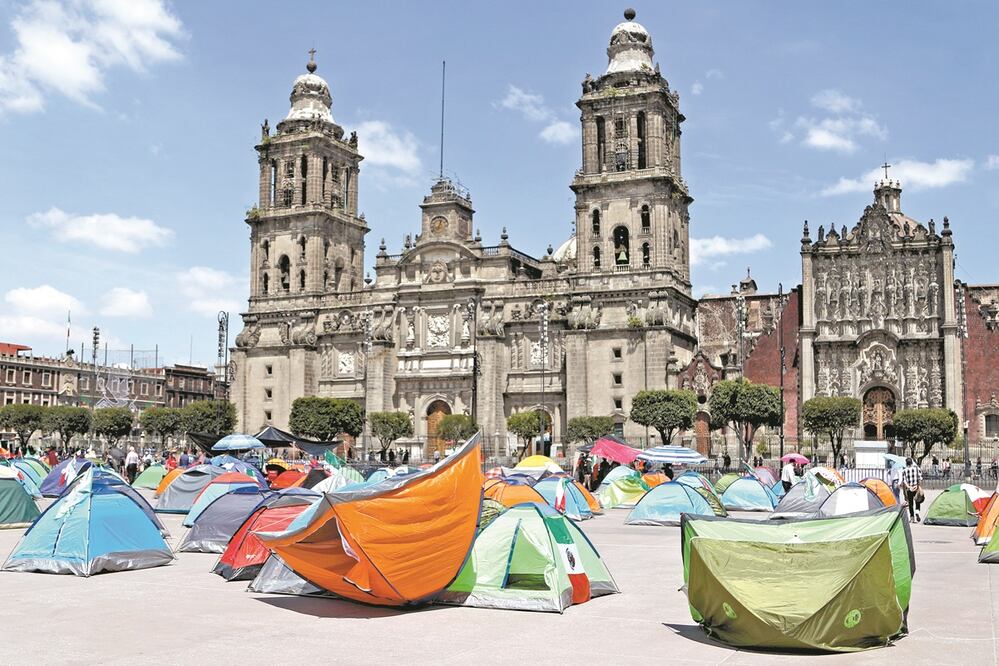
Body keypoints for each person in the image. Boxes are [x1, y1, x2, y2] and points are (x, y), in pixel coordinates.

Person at [902, 457, 923, 523]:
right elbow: (920, 478)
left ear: (906, 463)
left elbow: (904, 481)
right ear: (912, 462)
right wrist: (917, 486)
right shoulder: (917, 469)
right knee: (917, 501)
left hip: (909, 489)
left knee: (910, 503)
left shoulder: (904, 470)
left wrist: (909, 487)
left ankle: (912, 518)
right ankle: (917, 512)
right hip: (916, 487)